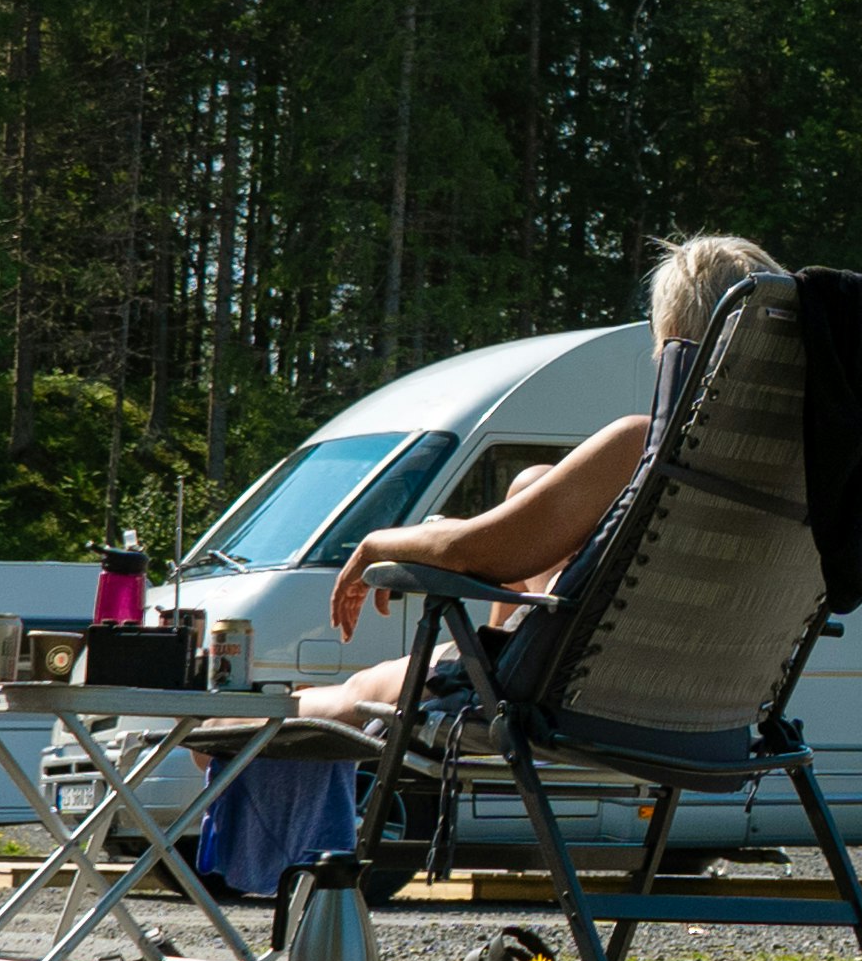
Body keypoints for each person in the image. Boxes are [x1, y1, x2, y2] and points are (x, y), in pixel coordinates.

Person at [303, 232, 785, 723]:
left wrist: (384, 542)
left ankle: (224, 730)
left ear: (673, 341)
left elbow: (478, 551)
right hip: (715, 713)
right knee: (533, 482)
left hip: (578, 699)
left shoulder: (646, 448)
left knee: (350, 692)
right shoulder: (791, 480)